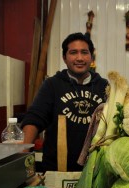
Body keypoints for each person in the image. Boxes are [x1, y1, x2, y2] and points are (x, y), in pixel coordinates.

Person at [21, 32, 108, 172]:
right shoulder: (52, 85)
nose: (79, 58)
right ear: (64, 58)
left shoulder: (104, 87)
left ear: (91, 57)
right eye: (73, 52)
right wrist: (22, 151)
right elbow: (34, 118)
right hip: (57, 169)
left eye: (84, 52)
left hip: (94, 170)